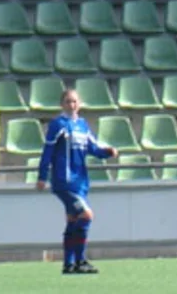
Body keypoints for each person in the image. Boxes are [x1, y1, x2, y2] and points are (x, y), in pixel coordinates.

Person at [36, 88, 118, 274]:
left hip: (80, 181)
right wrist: (42, 176)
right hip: (64, 181)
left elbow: (93, 148)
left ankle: (69, 263)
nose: (72, 105)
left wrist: (108, 152)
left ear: (79, 104)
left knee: (73, 219)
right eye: (68, 102)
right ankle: (80, 259)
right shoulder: (58, 124)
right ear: (62, 104)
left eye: (74, 101)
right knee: (86, 216)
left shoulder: (82, 125)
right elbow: (47, 151)